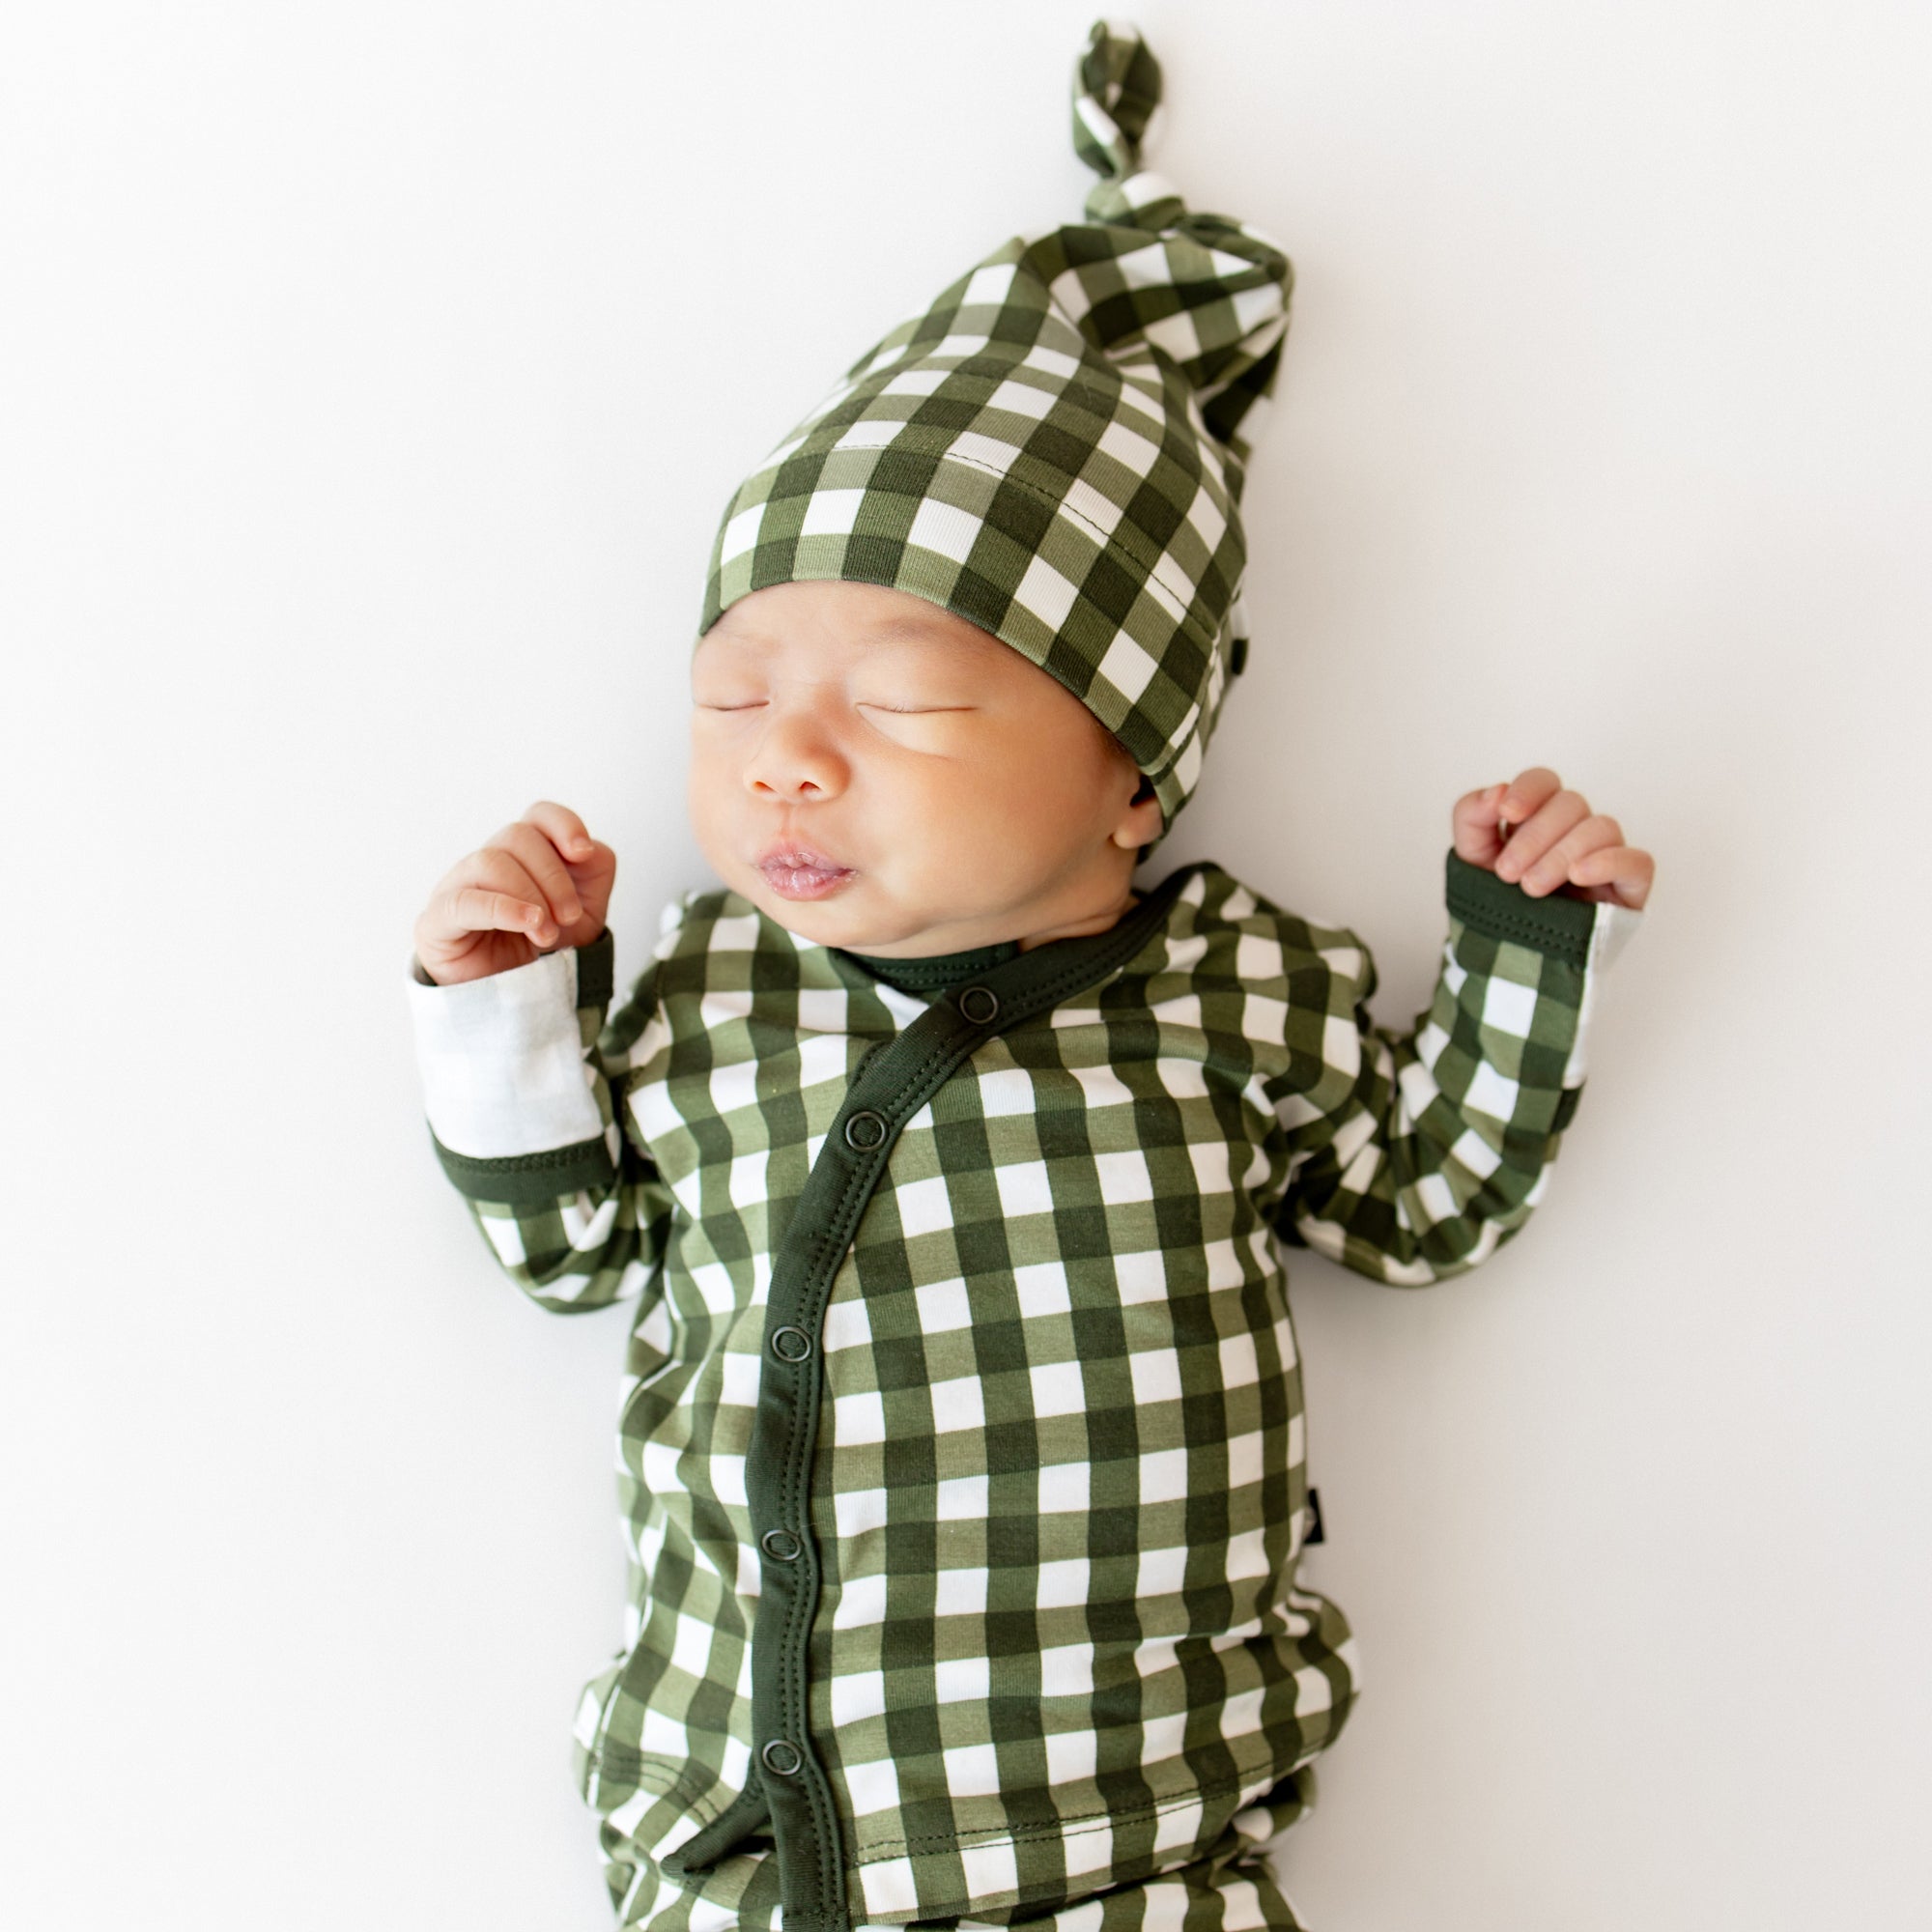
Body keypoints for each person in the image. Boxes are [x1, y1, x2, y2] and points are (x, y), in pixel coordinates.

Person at [407, 22, 1654, 1932]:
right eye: (735, 699)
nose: (784, 757)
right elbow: (570, 1248)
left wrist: (1518, 947)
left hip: (1125, 1845)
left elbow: (1423, 1203)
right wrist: (505, 1009)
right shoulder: (712, 994)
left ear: (1128, 771)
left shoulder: (1231, 992)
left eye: (899, 701)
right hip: (750, 1844)